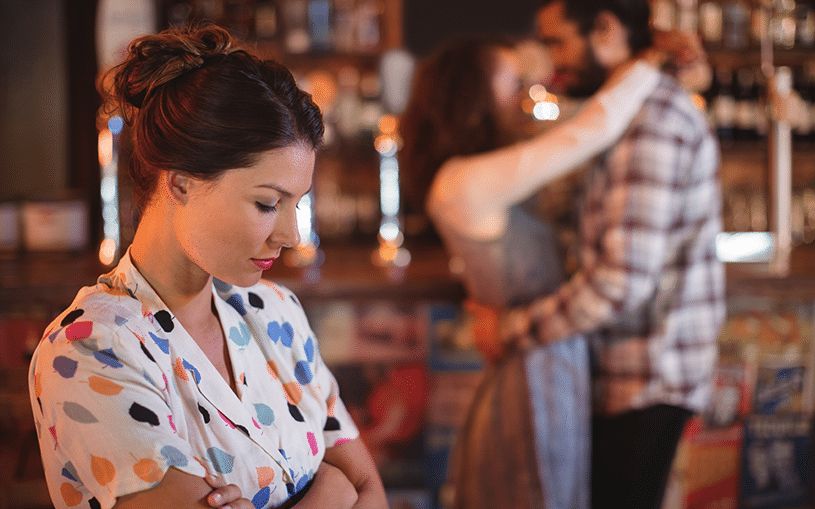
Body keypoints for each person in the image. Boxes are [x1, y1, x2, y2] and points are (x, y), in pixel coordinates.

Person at [28, 23, 387, 509]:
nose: (290, 236)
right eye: (266, 204)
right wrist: (331, 489)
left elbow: (369, 489)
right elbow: (350, 487)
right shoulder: (91, 348)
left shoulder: (277, 311)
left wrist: (348, 486)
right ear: (180, 184)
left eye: (296, 205)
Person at [399, 29, 701, 509]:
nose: (525, 93)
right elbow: (593, 129)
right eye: (511, 82)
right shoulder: (461, 181)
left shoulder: (482, 168)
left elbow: (580, 124)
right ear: (470, 96)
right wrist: (650, 59)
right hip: (532, 366)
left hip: (547, 356)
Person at [499, 1, 726, 508]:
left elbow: (622, 280)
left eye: (559, 42)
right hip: (634, 369)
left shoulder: (653, 121)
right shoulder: (625, 112)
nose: (554, 63)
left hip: (646, 374)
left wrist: (510, 330)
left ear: (604, 29)